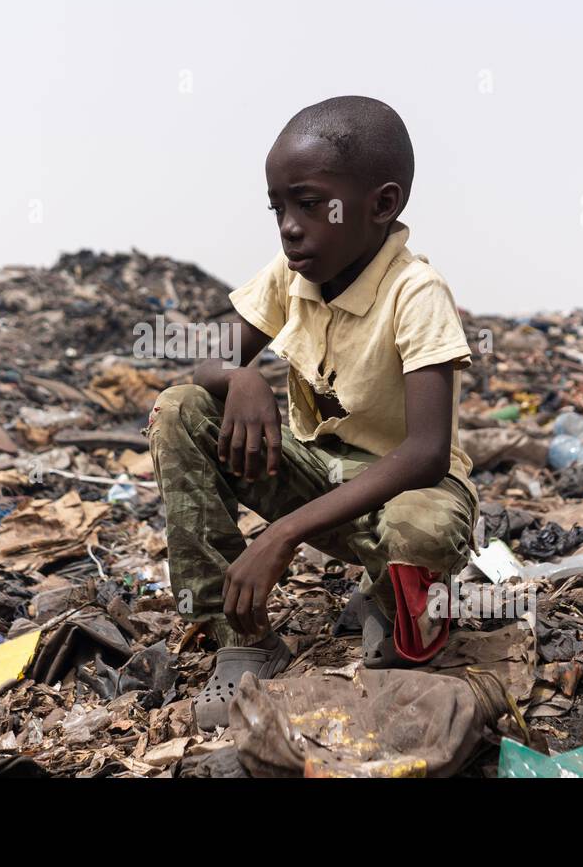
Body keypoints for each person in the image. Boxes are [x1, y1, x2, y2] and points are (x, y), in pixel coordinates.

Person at [146, 96, 479, 729]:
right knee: (182, 409)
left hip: (402, 486)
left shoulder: (416, 292)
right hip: (317, 473)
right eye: (278, 208)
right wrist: (242, 378)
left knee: (422, 534)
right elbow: (204, 364)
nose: (290, 227)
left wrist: (282, 534)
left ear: (383, 205)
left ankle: (393, 602)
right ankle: (240, 636)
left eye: (310, 204)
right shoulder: (291, 274)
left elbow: (426, 452)